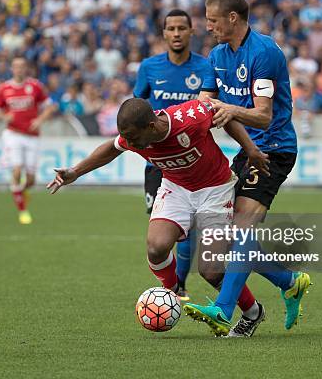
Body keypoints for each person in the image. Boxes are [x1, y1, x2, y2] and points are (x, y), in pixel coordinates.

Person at [47, 98, 270, 324]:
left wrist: (251, 149)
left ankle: (253, 312)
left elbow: (224, 114)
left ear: (151, 127)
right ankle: (172, 293)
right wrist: (75, 172)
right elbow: (110, 149)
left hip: (215, 189)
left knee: (210, 272)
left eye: (133, 137)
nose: (130, 142)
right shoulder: (134, 136)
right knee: (156, 248)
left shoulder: (190, 118)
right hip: (176, 188)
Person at [184, 0, 311, 337]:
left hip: (274, 149)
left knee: (242, 229)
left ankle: (224, 310)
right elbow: (205, 103)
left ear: (232, 18)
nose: (207, 27)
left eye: (212, 21)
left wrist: (230, 110)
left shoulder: (264, 52)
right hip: (246, 150)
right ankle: (289, 280)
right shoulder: (217, 55)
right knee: (231, 238)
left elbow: (264, 116)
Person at [133, 9, 209, 301]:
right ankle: (175, 285)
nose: (176, 33)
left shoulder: (204, 68)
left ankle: (179, 287)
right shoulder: (150, 67)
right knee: (161, 227)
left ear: (192, 32)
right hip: (158, 163)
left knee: (186, 229)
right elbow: (136, 107)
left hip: (192, 160)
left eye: (181, 28)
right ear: (164, 34)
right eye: (171, 29)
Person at [0, 57, 57, 225]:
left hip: (32, 136)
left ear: (26, 68)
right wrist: (4, 116)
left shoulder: (35, 86)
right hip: (13, 134)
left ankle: (20, 193)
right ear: (12, 69)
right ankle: (22, 211)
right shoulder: (4, 88)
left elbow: (50, 106)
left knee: (31, 180)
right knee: (16, 169)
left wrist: (40, 120)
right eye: (16, 67)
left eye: (22, 67)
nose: (19, 70)